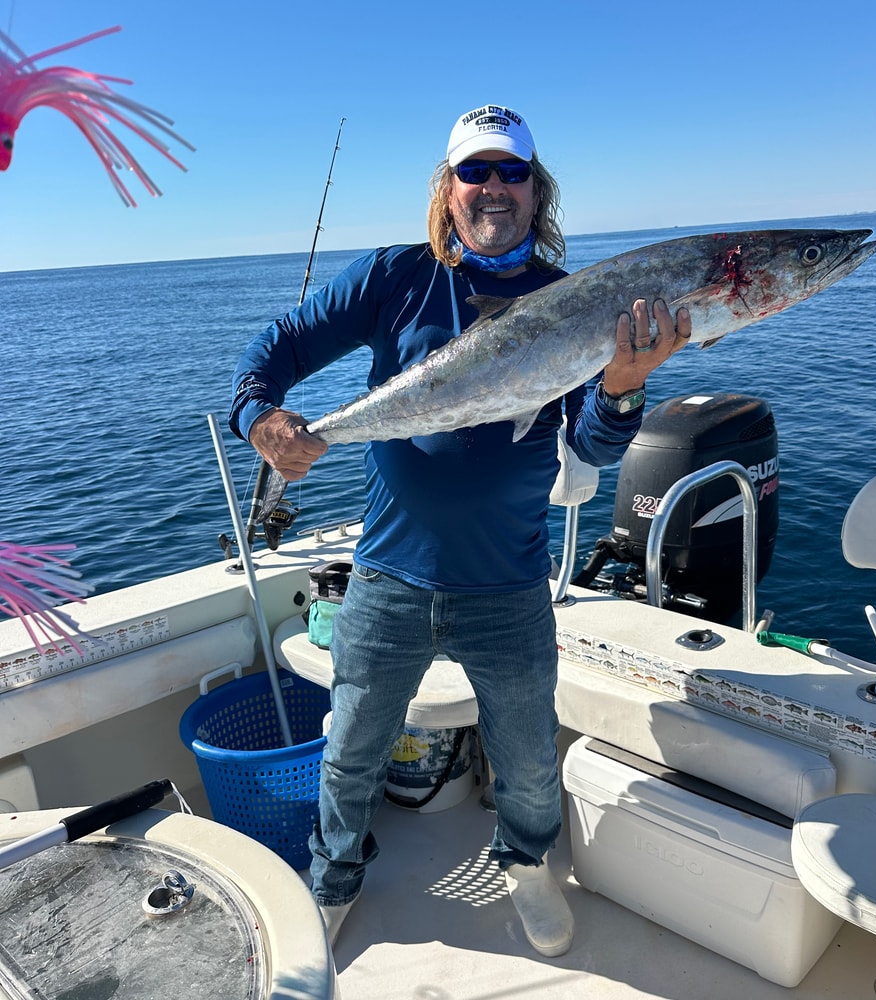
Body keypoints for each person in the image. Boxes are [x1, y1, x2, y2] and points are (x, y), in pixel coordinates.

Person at [229, 103, 691, 958]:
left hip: (508, 584)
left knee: (525, 760)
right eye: (474, 171)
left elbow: (587, 442)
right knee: (351, 750)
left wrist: (624, 385)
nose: (493, 188)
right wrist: (260, 416)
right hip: (386, 575)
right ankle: (330, 881)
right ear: (447, 190)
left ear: (536, 188)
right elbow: (281, 344)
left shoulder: (573, 302)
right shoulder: (393, 278)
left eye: (511, 171)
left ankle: (525, 866)